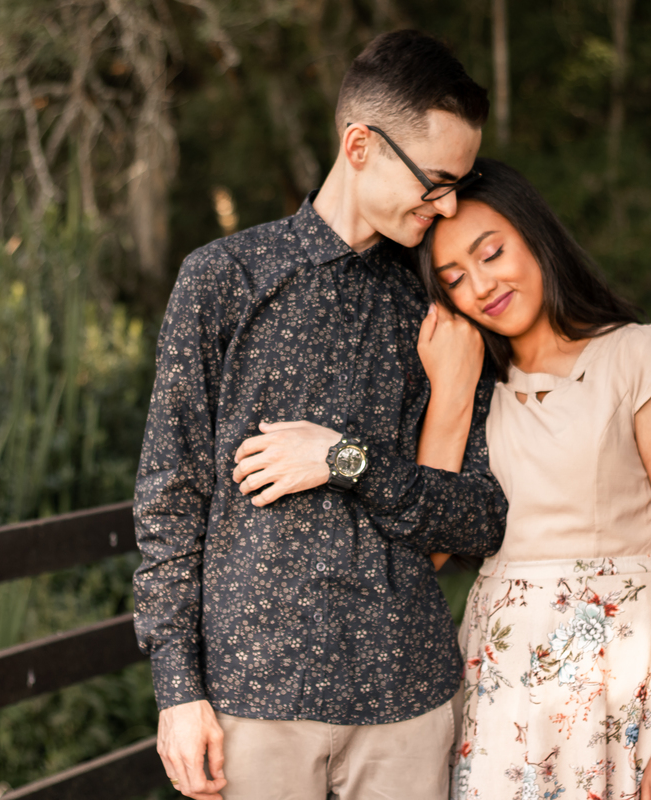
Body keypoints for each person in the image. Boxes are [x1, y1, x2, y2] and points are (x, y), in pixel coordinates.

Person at [131, 31, 509, 800]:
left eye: (460, 186)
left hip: (408, 703)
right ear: (360, 146)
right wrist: (176, 689)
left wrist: (344, 459)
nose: (449, 206)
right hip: (253, 705)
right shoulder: (223, 279)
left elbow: (479, 518)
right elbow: (170, 498)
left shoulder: (441, 307)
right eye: (436, 182)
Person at [416, 159, 651, 800]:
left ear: (535, 234)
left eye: (491, 253)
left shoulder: (638, 360)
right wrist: (450, 396)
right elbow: (427, 550)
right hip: (505, 698)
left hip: (626, 693)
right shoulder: (475, 389)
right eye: (454, 279)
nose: (481, 286)